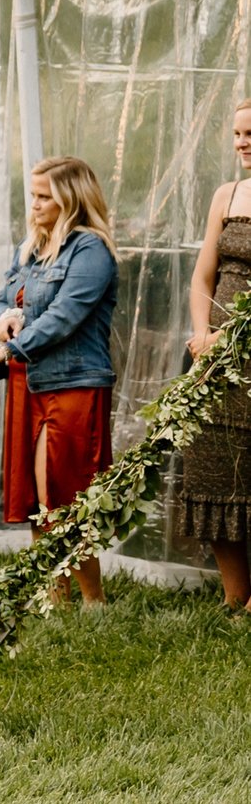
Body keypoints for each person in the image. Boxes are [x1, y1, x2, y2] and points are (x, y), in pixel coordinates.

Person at [0, 158, 119, 606]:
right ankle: (56, 595)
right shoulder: (29, 246)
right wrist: (3, 321)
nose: (34, 204)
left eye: (44, 196)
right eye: (32, 194)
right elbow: (1, 297)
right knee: (36, 492)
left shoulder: (90, 251)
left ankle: (93, 599)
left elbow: (64, 317)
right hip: (27, 383)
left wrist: (7, 350)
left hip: (73, 383)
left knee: (66, 492)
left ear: (71, 198)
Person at [174, 97, 251, 608]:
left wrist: (234, 335)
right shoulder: (227, 193)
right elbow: (204, 275)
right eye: (238, 135)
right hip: (212, 359)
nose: (243, 145)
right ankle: (234, 596)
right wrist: (203, 336)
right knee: (212, 470)